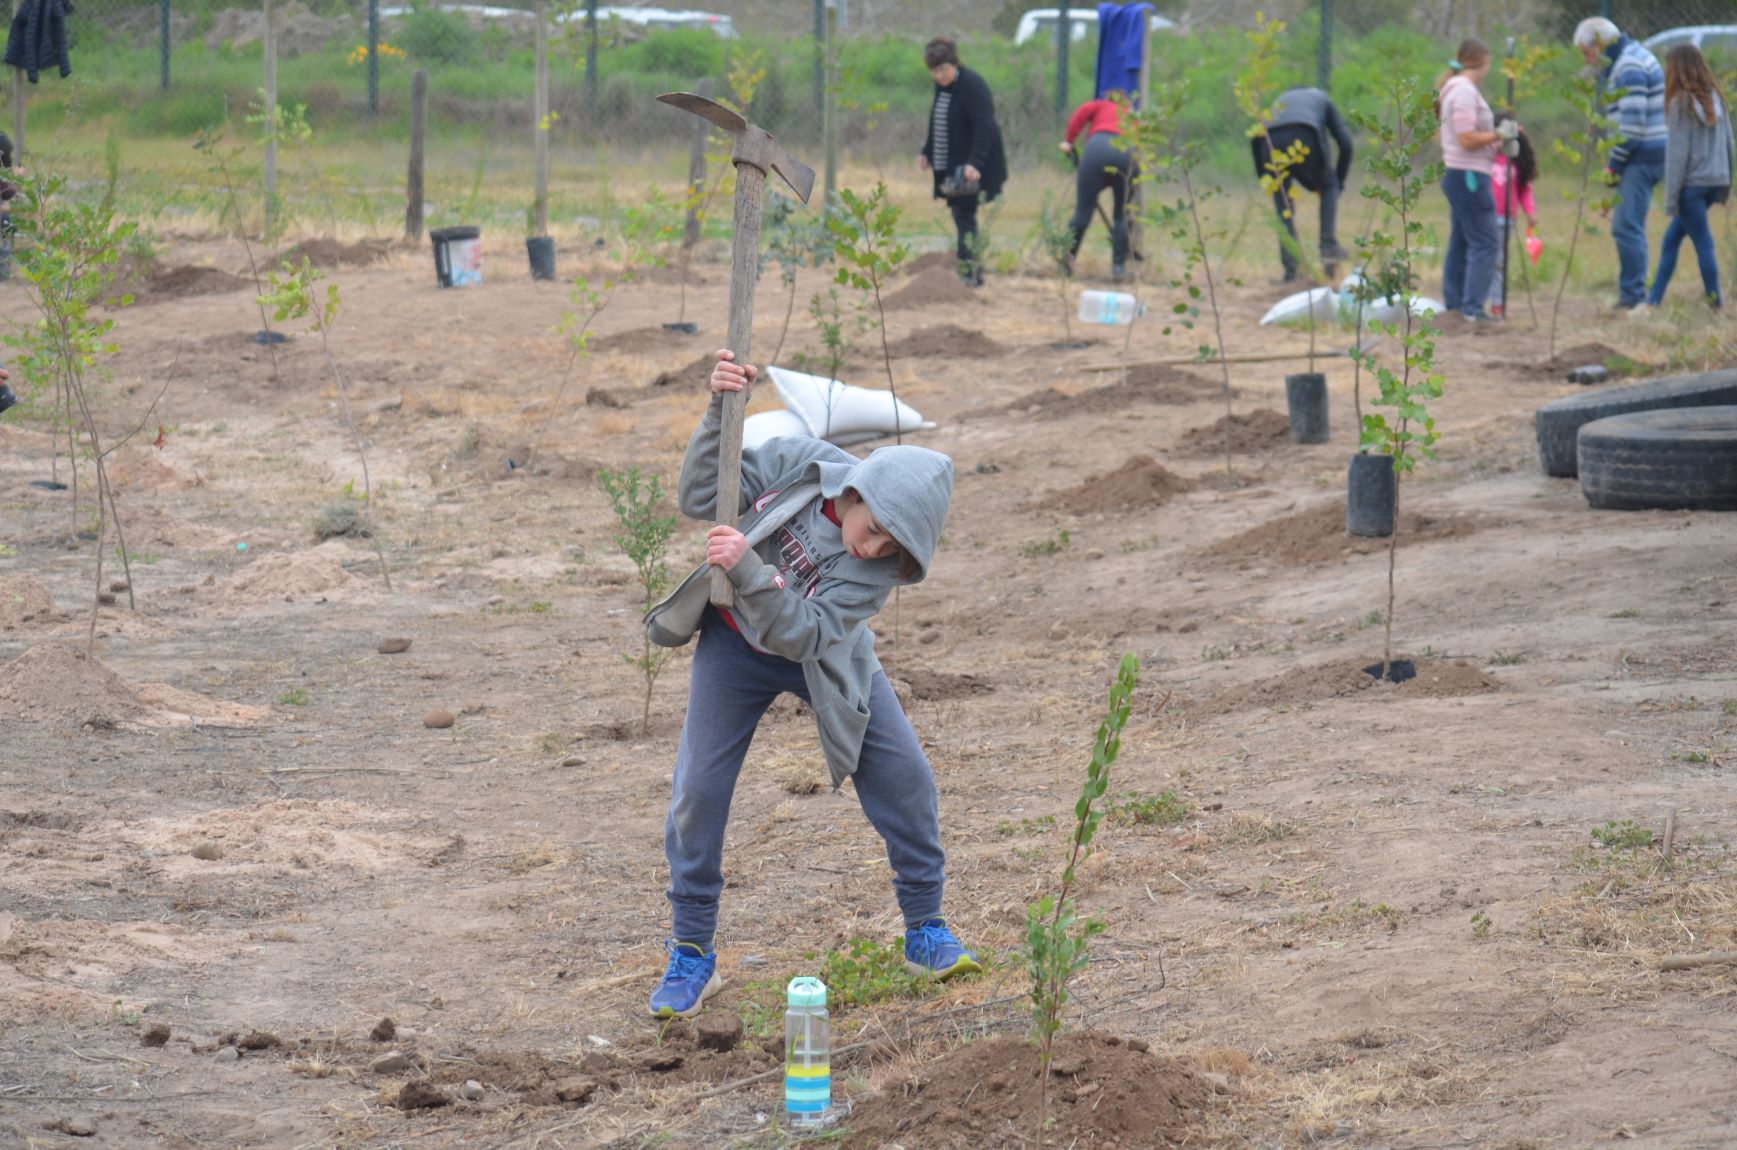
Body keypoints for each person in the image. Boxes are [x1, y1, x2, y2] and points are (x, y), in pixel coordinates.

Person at [641, 349, 979, 1019]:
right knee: (697, 792)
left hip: (826, 659)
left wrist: (750, 574)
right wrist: (719, 409)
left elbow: (804, 633)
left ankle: (924, 928)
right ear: (855, 493)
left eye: (893, 549)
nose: (873, 549)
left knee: (905, 777)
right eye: (875, 529)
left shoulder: (877, 573)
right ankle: (691, 950)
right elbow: (702, 495)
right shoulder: (802, 467)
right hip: (733, 649)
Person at [1575, 17, 1666, 311]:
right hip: (1641, 154)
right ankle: (1635, 293)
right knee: (1630, 224)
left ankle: (1633, 296)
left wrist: (1613, 166)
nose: (1587, 60)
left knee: (1626, 225)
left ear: (1599, 44)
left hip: (1642, 156)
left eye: (1587, 53)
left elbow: (1632, 128)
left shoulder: (1629, 66)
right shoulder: (1628, 59)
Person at [1643, 44, 1734, 312]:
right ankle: (1652, 302)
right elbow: (1730, 144)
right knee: (1672, 239)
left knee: (1703, 242)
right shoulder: (1717, 98)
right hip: (1714, 180)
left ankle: (1715, 303)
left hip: (1692, 186)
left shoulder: (1680, 104)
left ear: (1676, 70)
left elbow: (1676, 159)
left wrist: (1670, 200)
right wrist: (1725, 183)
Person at [918, 37, 1006, 287]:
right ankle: (970, 270)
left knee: (964, 216)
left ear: (955, 64)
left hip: (972, 165)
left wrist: (974, 164)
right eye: (934, 71)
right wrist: (927, 151)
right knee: (961, 215)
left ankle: (970, 274)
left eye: (944, 69)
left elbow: (984, 126)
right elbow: (939, 119)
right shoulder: (943, 87)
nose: (939, 75)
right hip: (952, 164)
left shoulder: (972, 85)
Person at [1435, 39, 1508, 325]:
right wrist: (1500, 134)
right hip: (1469, 176)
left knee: (1463, 240)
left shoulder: (1454, 88)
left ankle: (1456, 305)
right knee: (1486, 242)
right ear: (1484, 62)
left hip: (1460, 174)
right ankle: (1473, 309)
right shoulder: (1464, 91)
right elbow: (1466, 138)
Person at [1250, 86, 1354, 283]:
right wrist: (1337, 182)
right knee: (1329, 184)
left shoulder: (1281, 98)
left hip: (1267, 139)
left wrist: (1263, 176)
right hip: (1304, 133)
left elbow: (1256, 139)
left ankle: (1291, 272)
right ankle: (1328, 247)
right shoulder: (1322, 98)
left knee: (1283, 205)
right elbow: (1346, 143)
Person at [1059, 94, 1135, 280]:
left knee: (1082, 212)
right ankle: (1118, 268)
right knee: (1121, 214)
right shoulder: (1132, 116)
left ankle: (1066, 266)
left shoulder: (1100, 105)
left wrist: (1069, 141)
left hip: (1096, 149)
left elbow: (1081, 113)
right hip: (1126, 153)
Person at [1489, 112, 1538, 318]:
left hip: (1506, 219)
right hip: (1486, 217)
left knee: (1499, 261)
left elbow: (1524, 189)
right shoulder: (1487, 157)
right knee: (1486, 259)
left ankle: (1498, 303)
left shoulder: (1516, 161)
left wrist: (1530, 212)